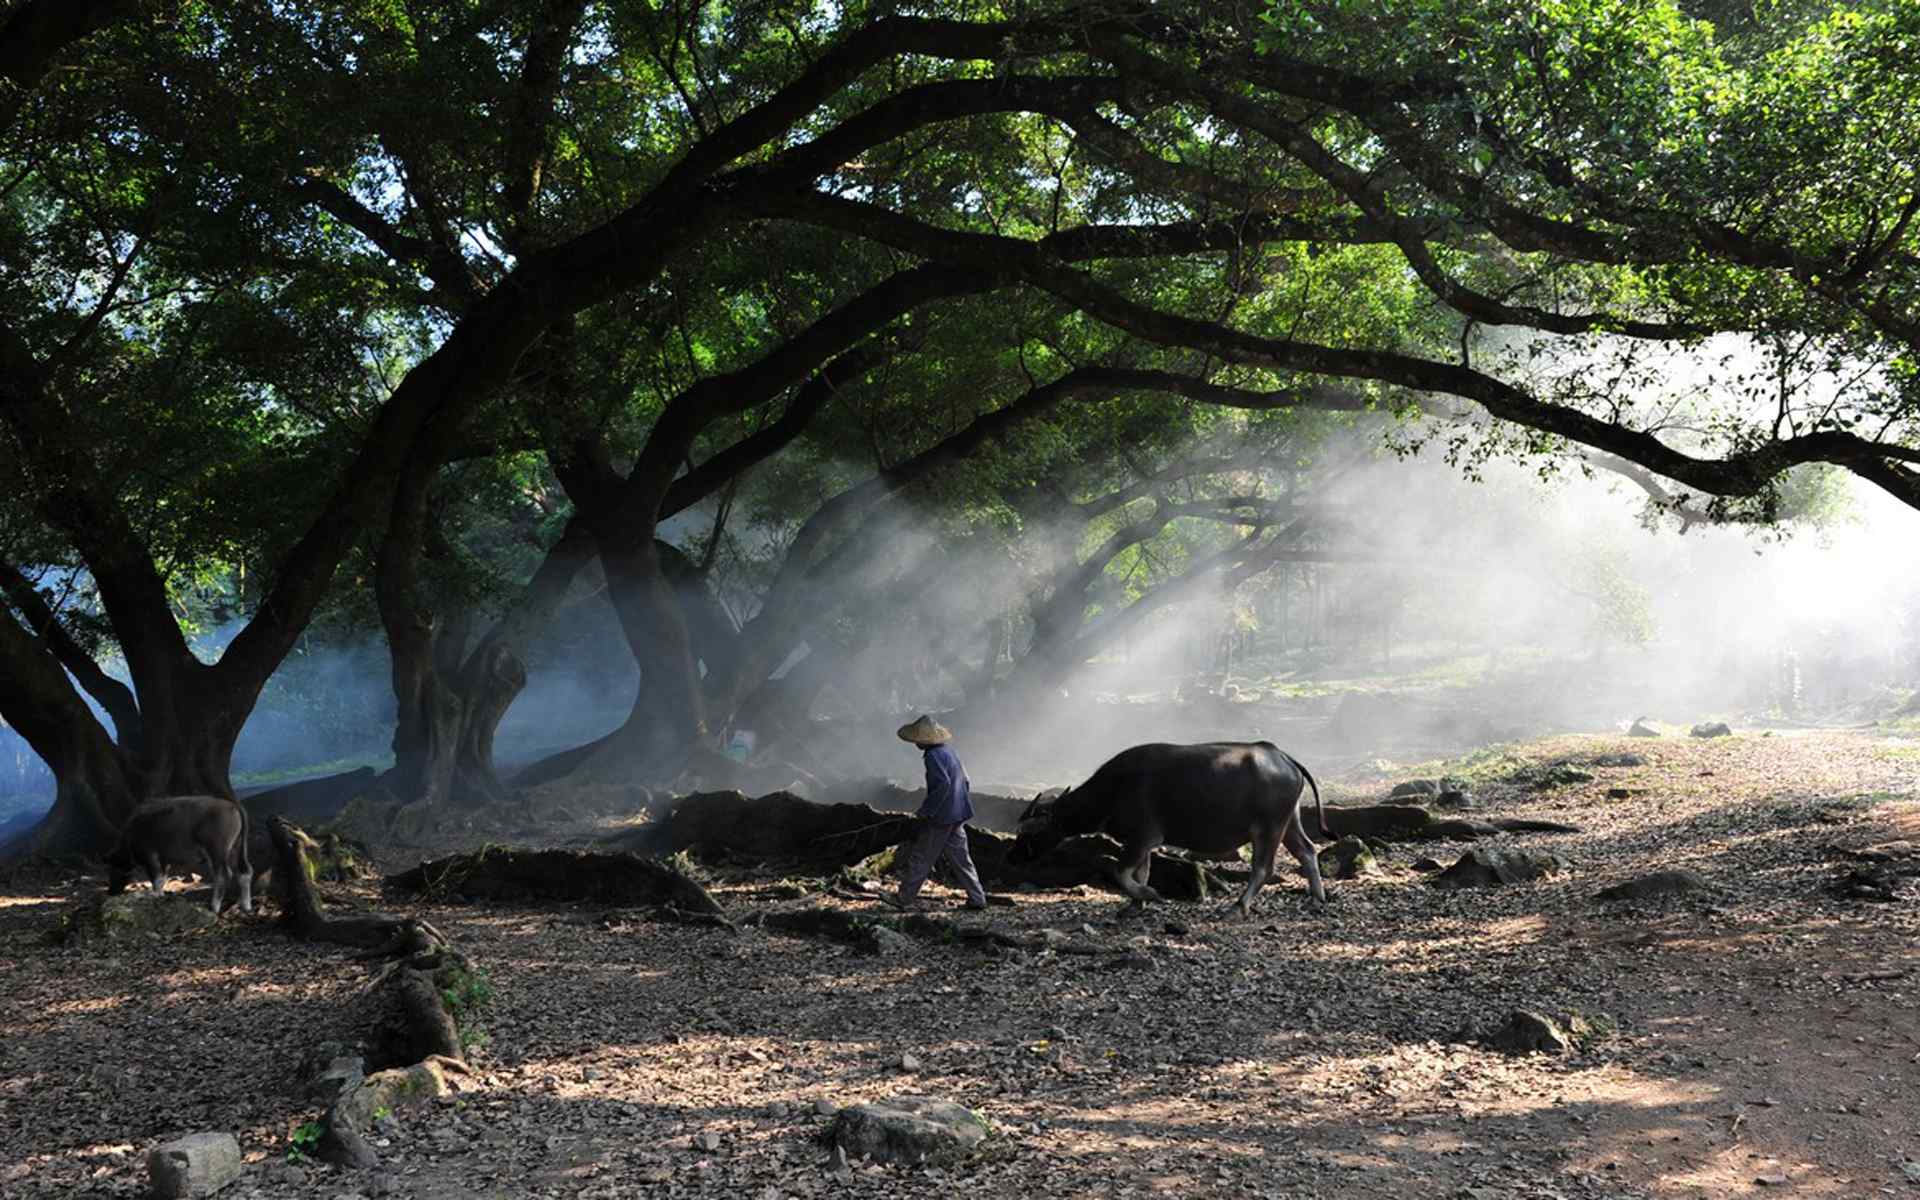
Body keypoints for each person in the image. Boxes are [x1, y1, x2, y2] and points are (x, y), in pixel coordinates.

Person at [889, 714, 988, 912]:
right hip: (958, 813)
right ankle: (978, 898)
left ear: (923, 741)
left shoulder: (933, 757)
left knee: (922, 856)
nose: (916, 743)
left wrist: (926, 811)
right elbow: (965, 781)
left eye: (917, 739)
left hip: (942, 817)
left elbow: (943, 785)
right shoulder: (949, 752)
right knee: (962, 860)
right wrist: (957, 804)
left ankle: (904, 897)